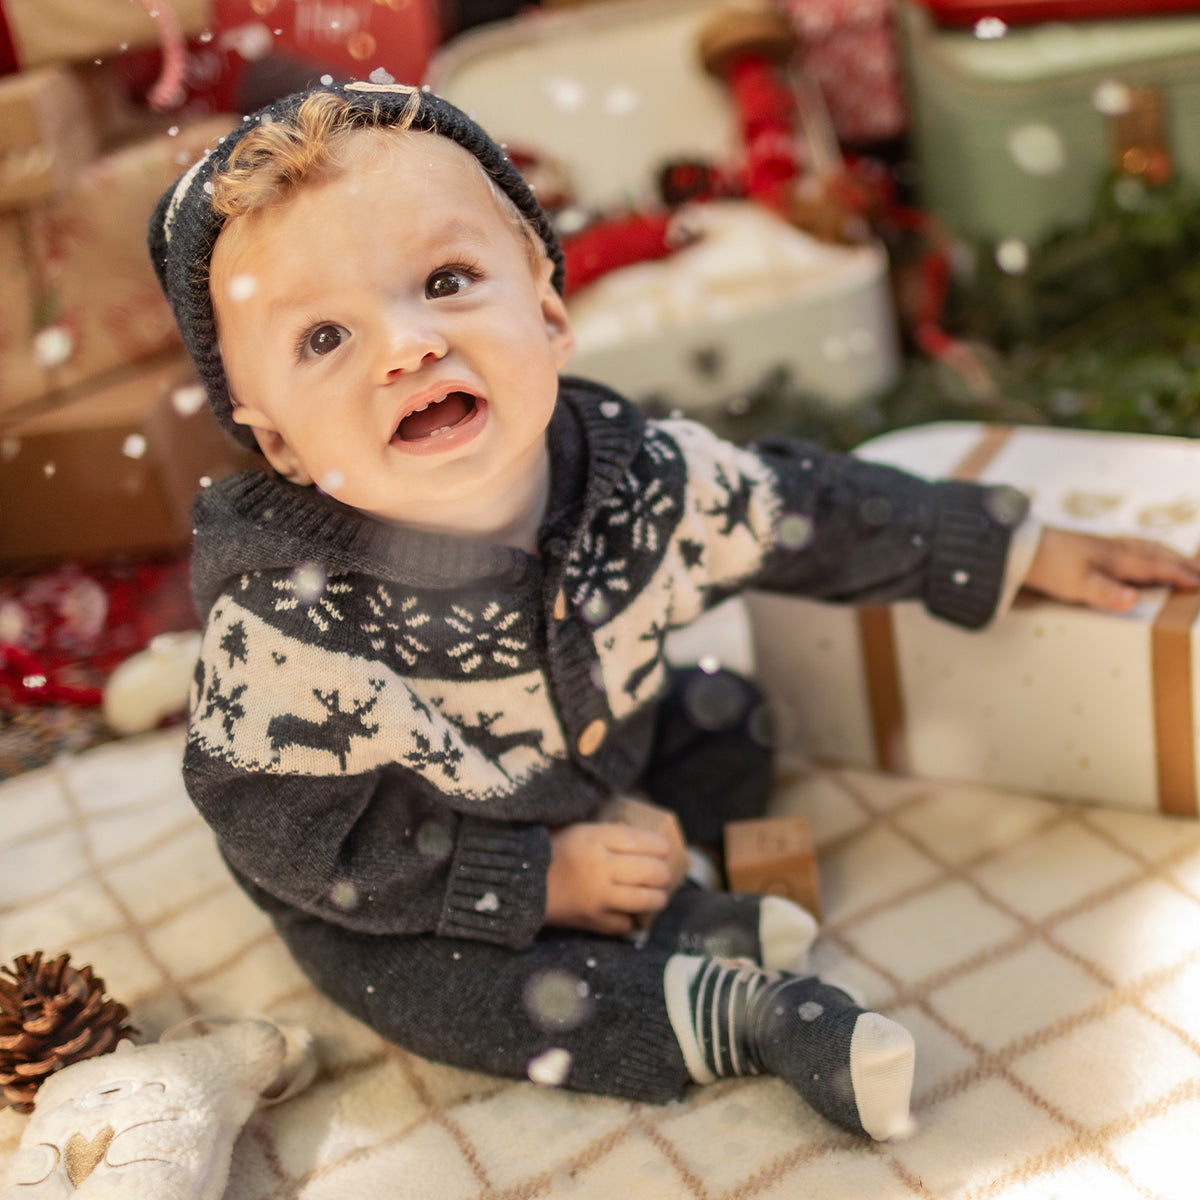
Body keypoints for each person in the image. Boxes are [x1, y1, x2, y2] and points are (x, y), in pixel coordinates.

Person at [148, 81, 1200, 1142]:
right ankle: (727, 1014)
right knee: (429, 988)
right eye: (324, 338)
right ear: (277, 441)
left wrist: (1012, 545)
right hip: (405, 866)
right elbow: (293, 836)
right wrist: (534, 878)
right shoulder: (289, 627)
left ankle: (679, 895)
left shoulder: (642, 480)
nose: (407, 345)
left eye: (447, 280)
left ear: (549, 312)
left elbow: (809, 512)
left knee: (728, 712)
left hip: (599, 751)